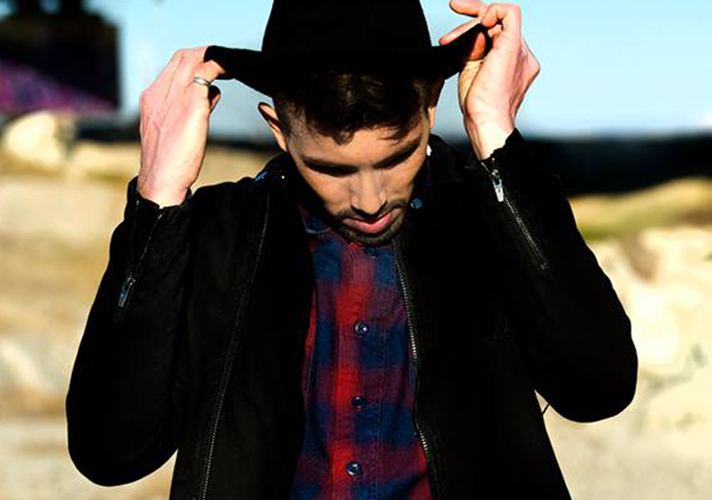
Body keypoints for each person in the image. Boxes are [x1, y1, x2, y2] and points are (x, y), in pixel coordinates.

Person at [64, 1, 638, 499]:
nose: (370, 200)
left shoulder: (489, 212)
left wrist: (497, 139)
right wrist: (158, 198)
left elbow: (599, 388)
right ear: (279, 129)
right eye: (331, 169)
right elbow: (110, 452)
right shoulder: (222, 233)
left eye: (396, 157)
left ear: (430, 105)